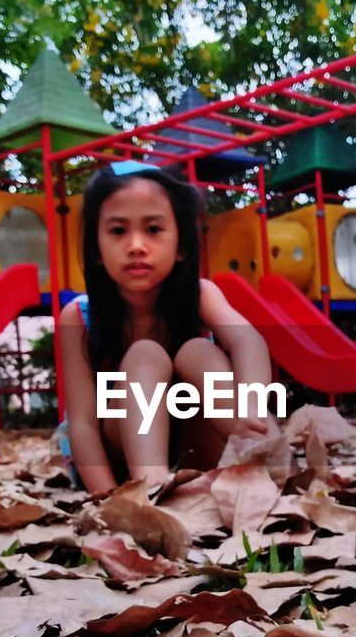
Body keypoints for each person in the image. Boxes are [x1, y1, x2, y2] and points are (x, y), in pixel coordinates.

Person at [57, 160, 276, 493]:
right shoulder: (79, 318)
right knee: (145, 356)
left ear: (182, 247)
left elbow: (248, 341)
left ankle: (262, 457)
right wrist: (107, 500)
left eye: (153, 230)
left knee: (199, 352)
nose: (136, 245)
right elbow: (84, 424)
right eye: (118, 231)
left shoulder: (201, 295)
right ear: (97, 250)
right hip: (120, 460)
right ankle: (153, 484)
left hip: (197, 445)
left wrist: (251, 405)